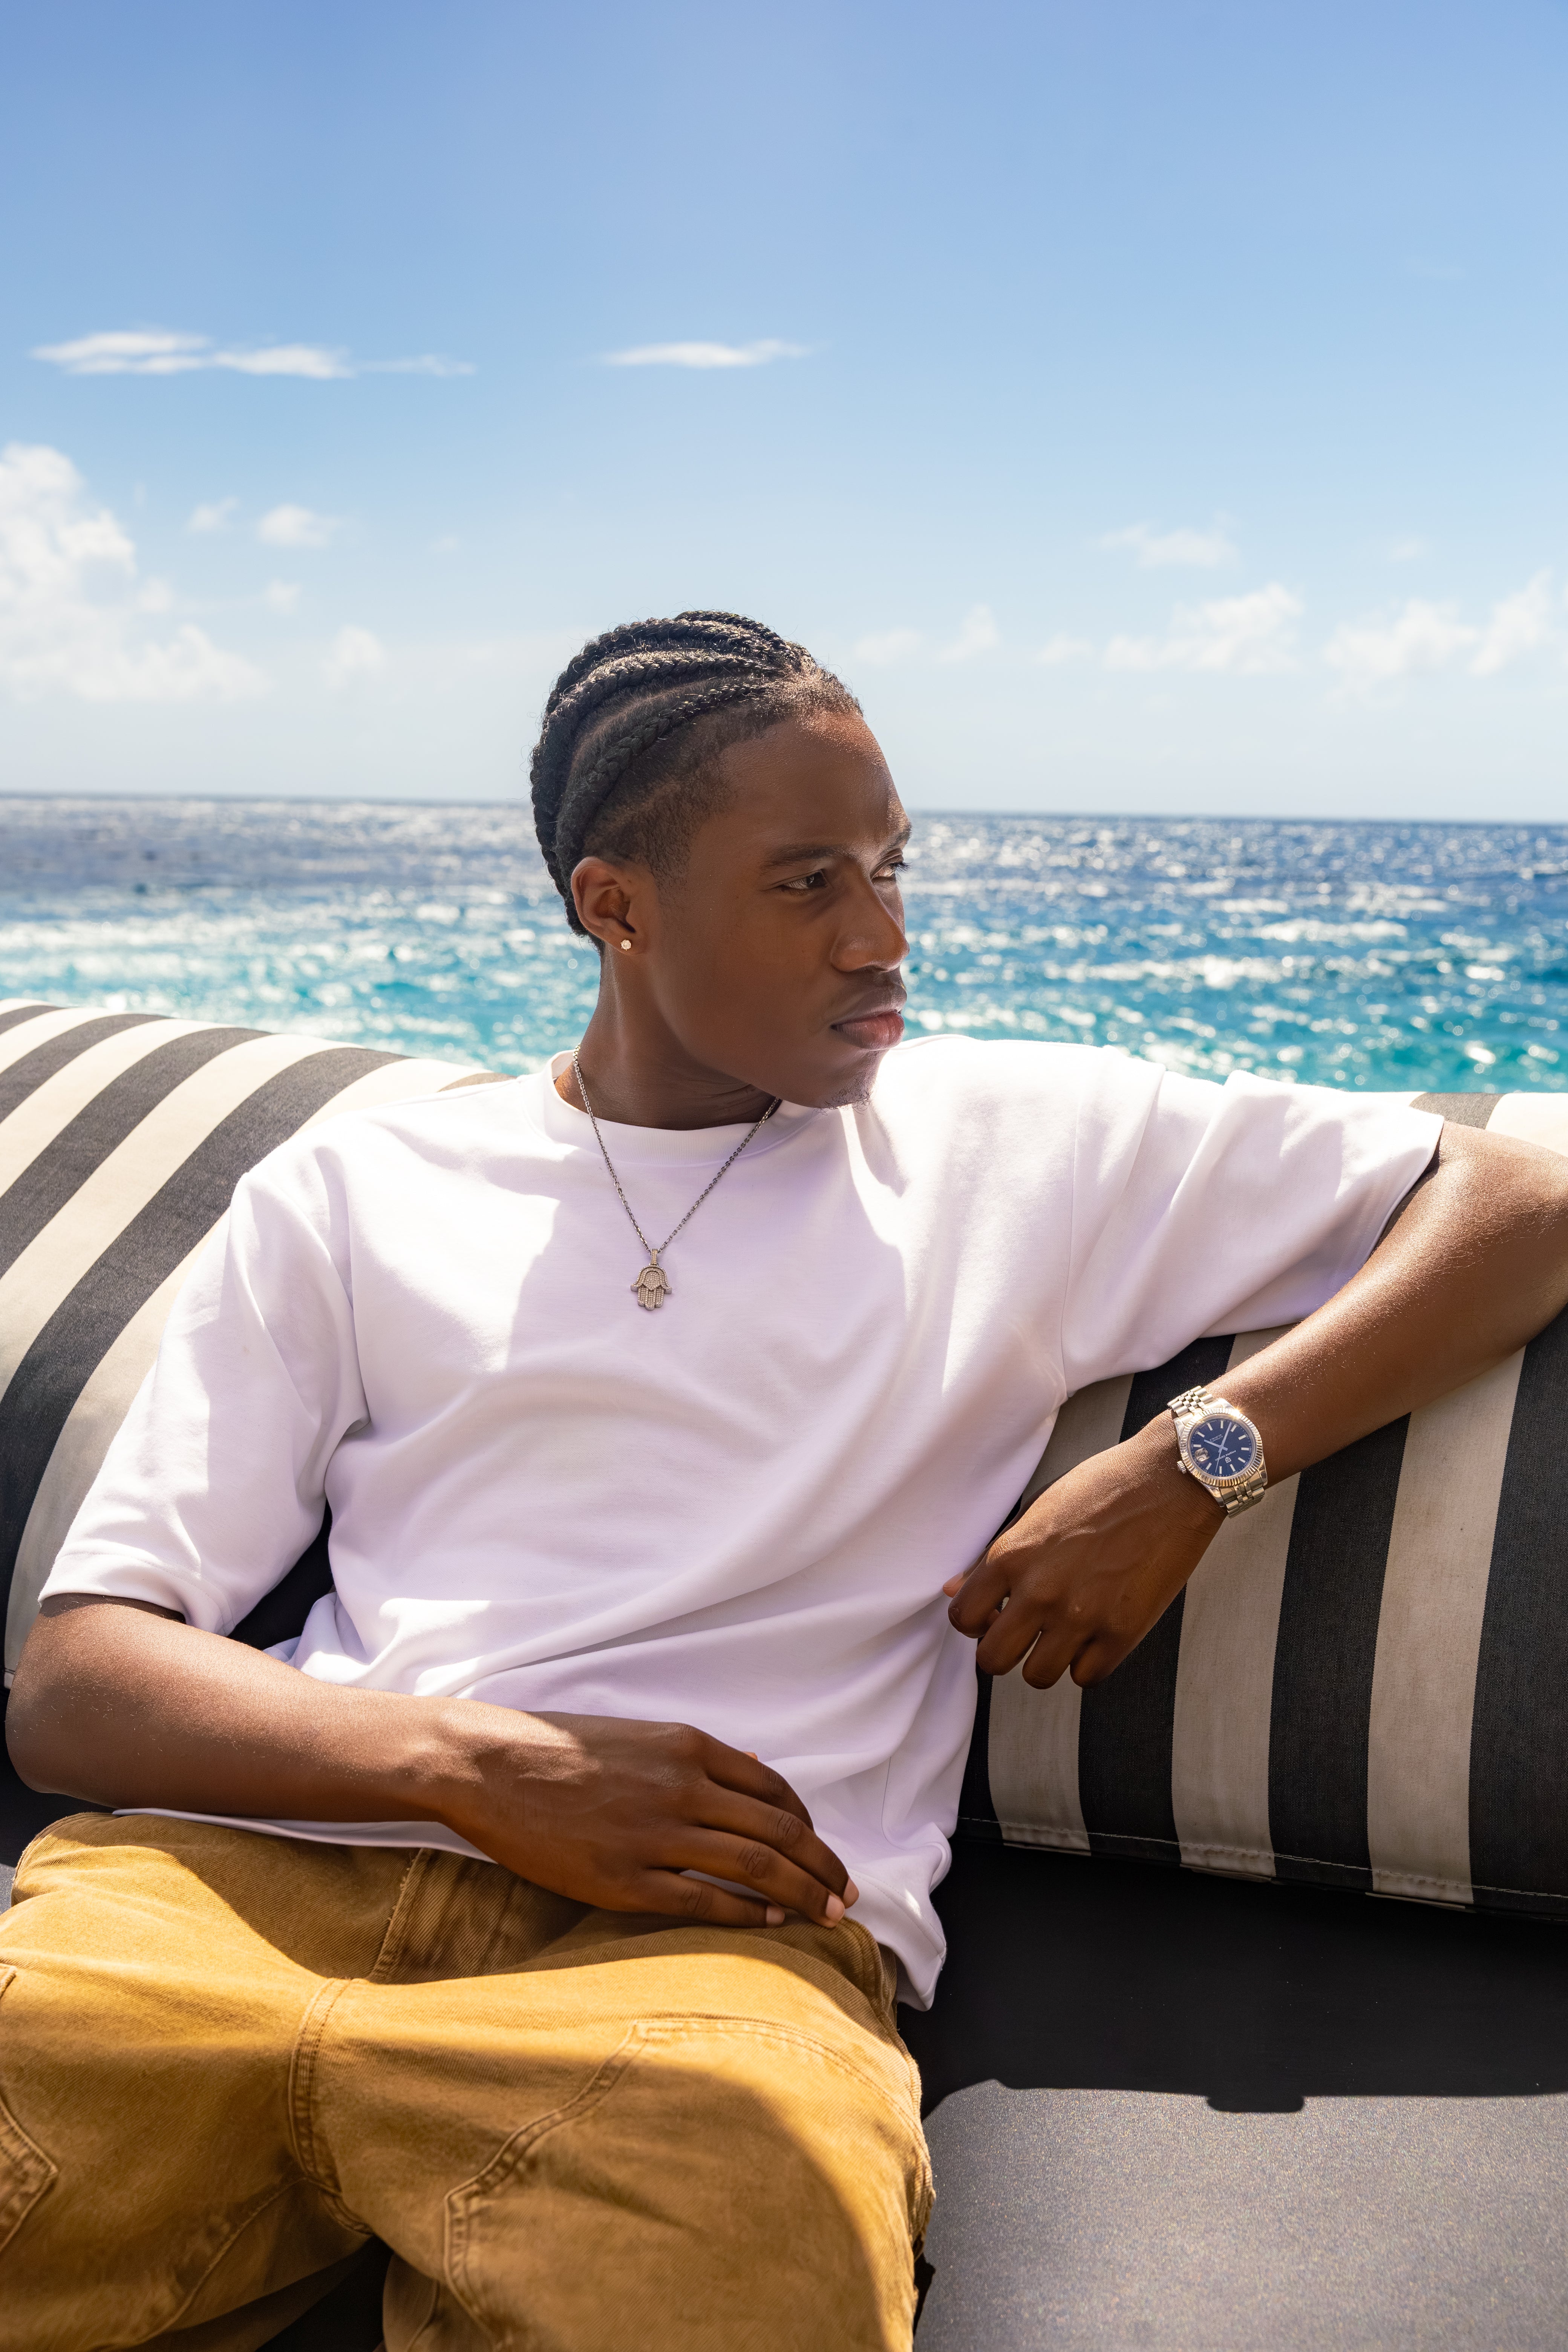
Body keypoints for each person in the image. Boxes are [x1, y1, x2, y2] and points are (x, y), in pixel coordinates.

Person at [5, 611, 1568, 2352]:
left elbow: (1516, 1207)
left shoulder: (1004, 1145)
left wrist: (1193, 1464)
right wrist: (479, 1766)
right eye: (806, 882)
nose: (881, 939)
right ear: (616, 904)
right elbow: (80, 1683)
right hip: (212, 1907)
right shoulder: (364, 1187)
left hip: (709, 1976)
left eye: (893, 870)